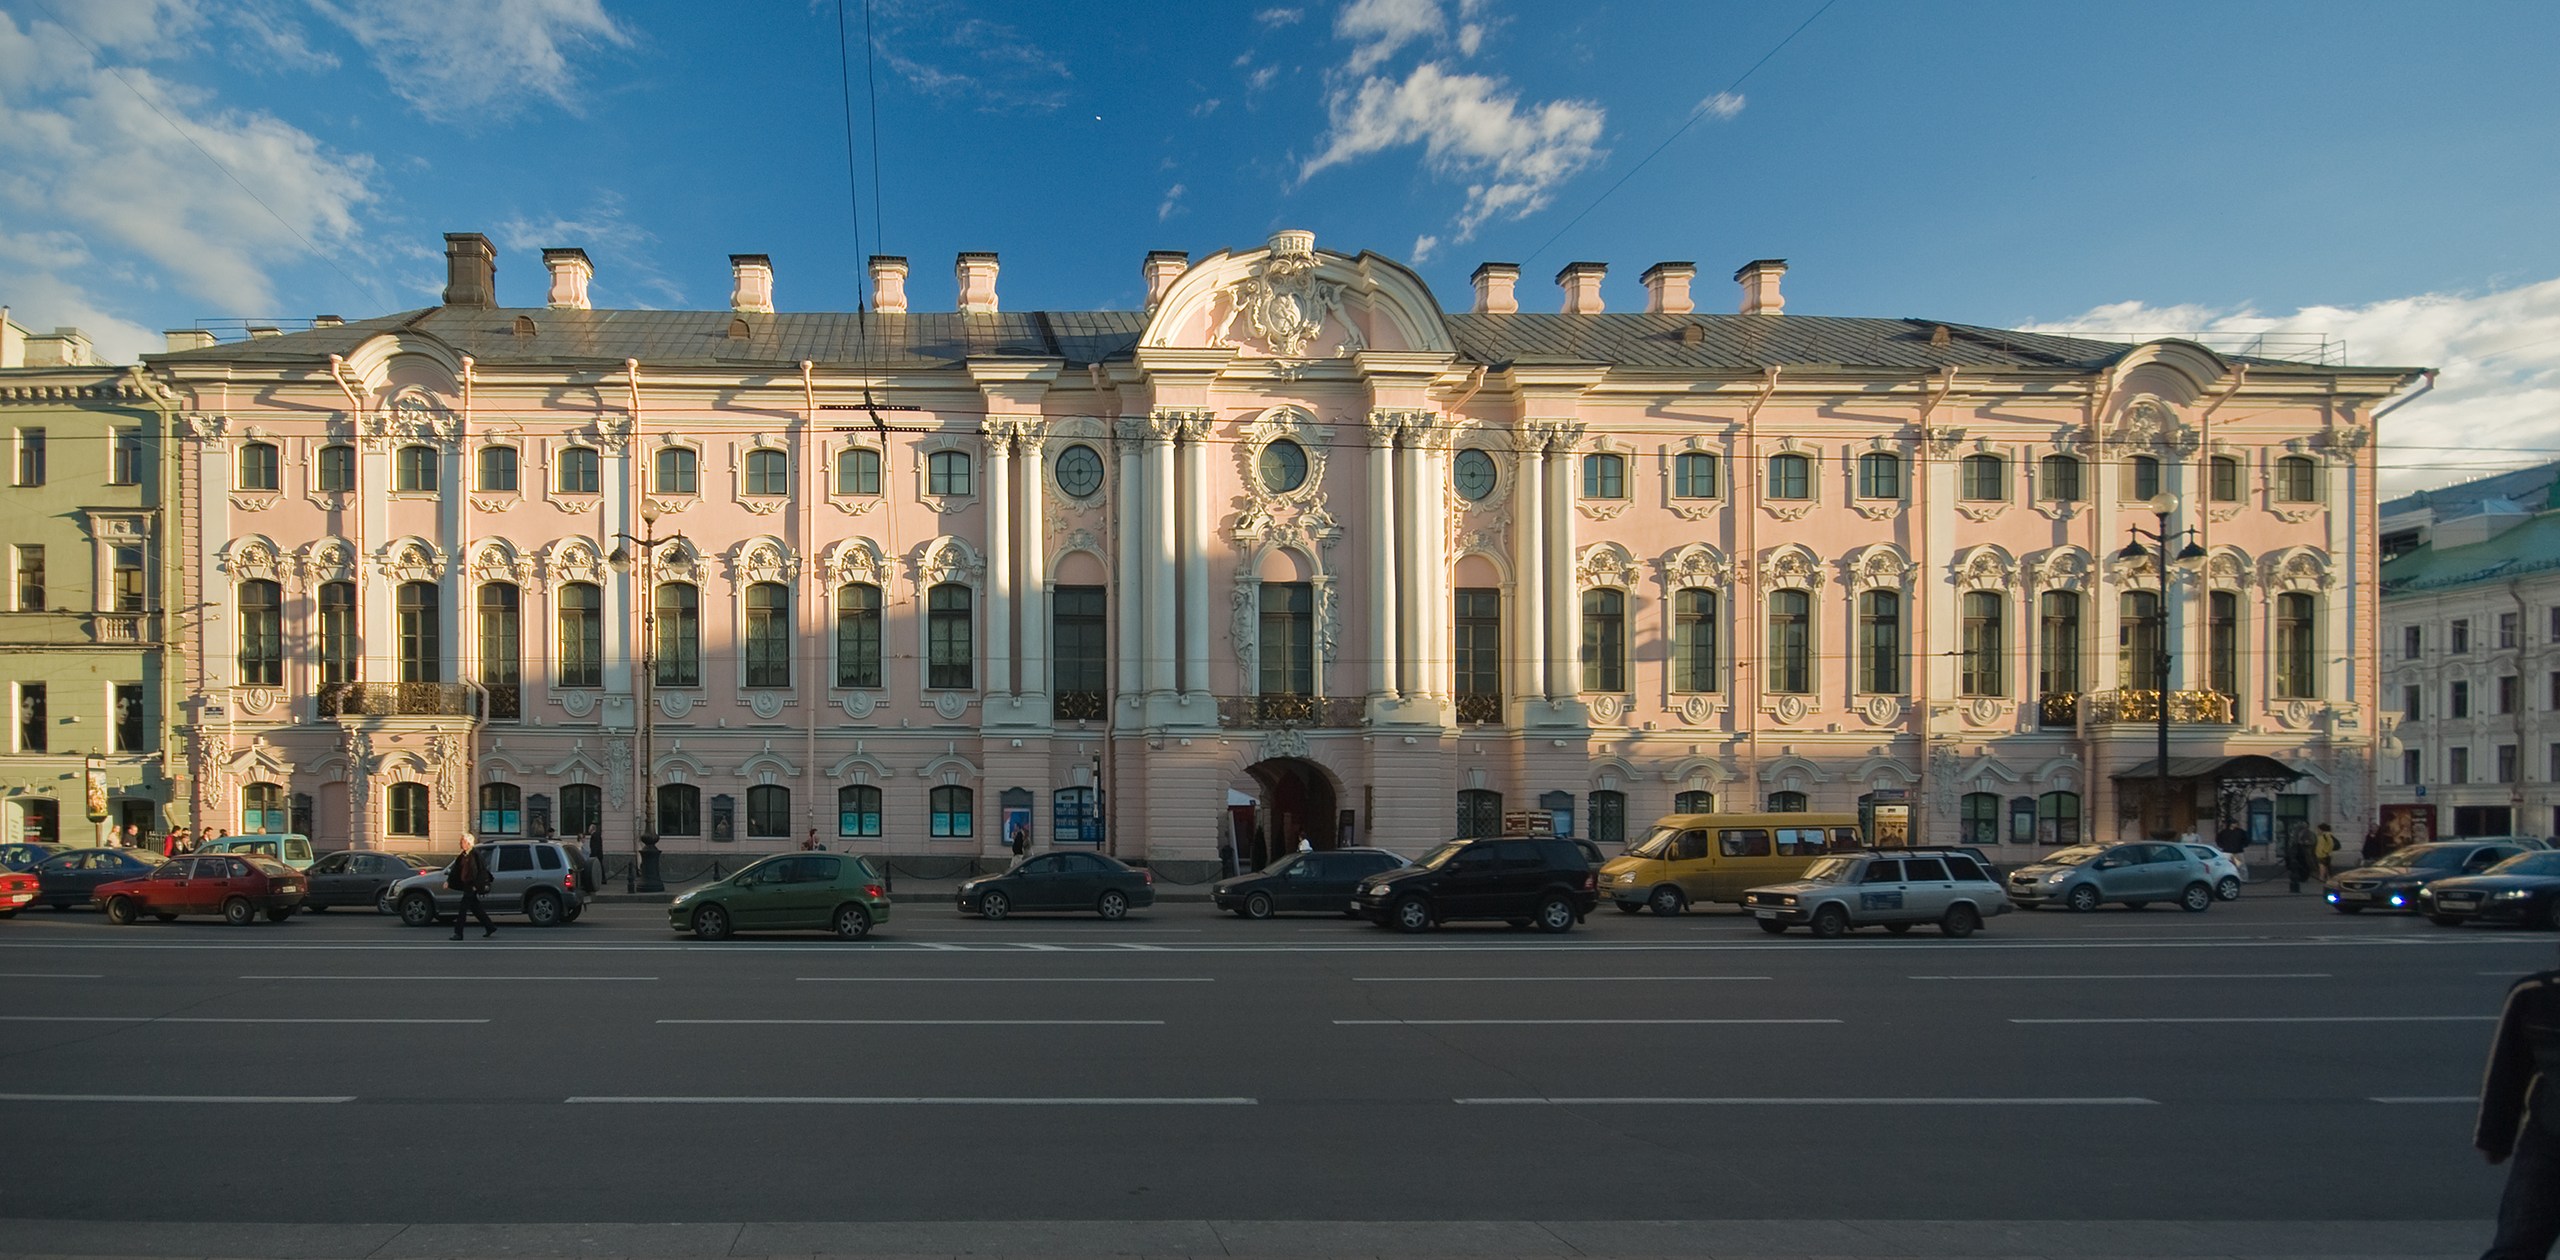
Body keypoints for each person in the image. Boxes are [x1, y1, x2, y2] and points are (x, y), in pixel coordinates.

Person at [2476, 954, 2560, 1258]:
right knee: (2518, 1244)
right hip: (2548, 1142)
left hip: (2547, 1141)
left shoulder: (2535, 993)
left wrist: (2494, 1141)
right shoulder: (2534, 995)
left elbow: (2506, 1074)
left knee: (2518, 1243)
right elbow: (2506, 1072)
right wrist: (2494, 1138)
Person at [447, 838, 495, 940]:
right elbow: (455, 869)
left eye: (462, 842)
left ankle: (458, 933)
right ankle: (490, 927)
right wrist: (448, 881)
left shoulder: (475, 855)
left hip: (472, 885)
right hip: (467, 885)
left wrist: (476, 885)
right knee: (476, 908)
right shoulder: (463, 855)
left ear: (468, 843)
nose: (460, 844)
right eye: (460, 842)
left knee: (462, 909)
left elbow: (481, 871)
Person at [2282, 827, 2314, 894]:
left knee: (2302, 865)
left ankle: (2298, 880)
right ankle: (2298, 880)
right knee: (2300, 865)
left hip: (2303, 853)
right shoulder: (2297, 839)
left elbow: (2311, 841)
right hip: (2301, 854)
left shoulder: (2305, 834)